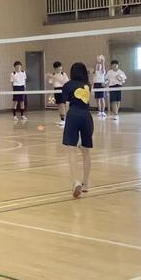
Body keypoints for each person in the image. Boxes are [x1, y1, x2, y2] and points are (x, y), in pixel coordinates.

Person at [62, 62, 93, 199]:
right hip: (86, 116)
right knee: (86, 152)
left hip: (73, 115)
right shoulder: (88, 85)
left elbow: (65, 104)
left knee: (72, 150)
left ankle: (76, 182)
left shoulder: (67, 85)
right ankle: (86, 184)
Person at [48, 61, 69, 127]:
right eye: (58, 67)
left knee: (62, 105)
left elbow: (66, 83)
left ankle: (64, 120)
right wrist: (51, 93)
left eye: (60, 67)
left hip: (63, 90)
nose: (60, 68)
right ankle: (62, 119)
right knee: (59, 105)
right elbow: (51, 84)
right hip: (56, 90)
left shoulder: (63, 74)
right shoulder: (53, 75)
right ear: (55, 68)